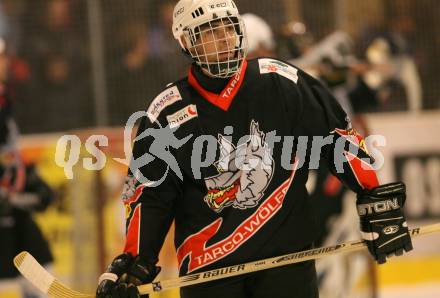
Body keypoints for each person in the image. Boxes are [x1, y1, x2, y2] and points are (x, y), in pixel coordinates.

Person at [96, 1, 413, 297]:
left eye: (227, 28)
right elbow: (150, 195)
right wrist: (135, 262)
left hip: (286, 261)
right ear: (186, 43)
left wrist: (372, 194)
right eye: (209, 32)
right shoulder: (167, 112)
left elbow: (336, 137)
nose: (222, 39)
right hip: (209, 272)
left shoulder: (279, 80)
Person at [0, 37, 55, 298]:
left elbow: (9, 153)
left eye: (3, 56)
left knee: (39, 265)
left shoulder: (5, 99)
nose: (4, 62)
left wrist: (29, 179)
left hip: (11, 206)